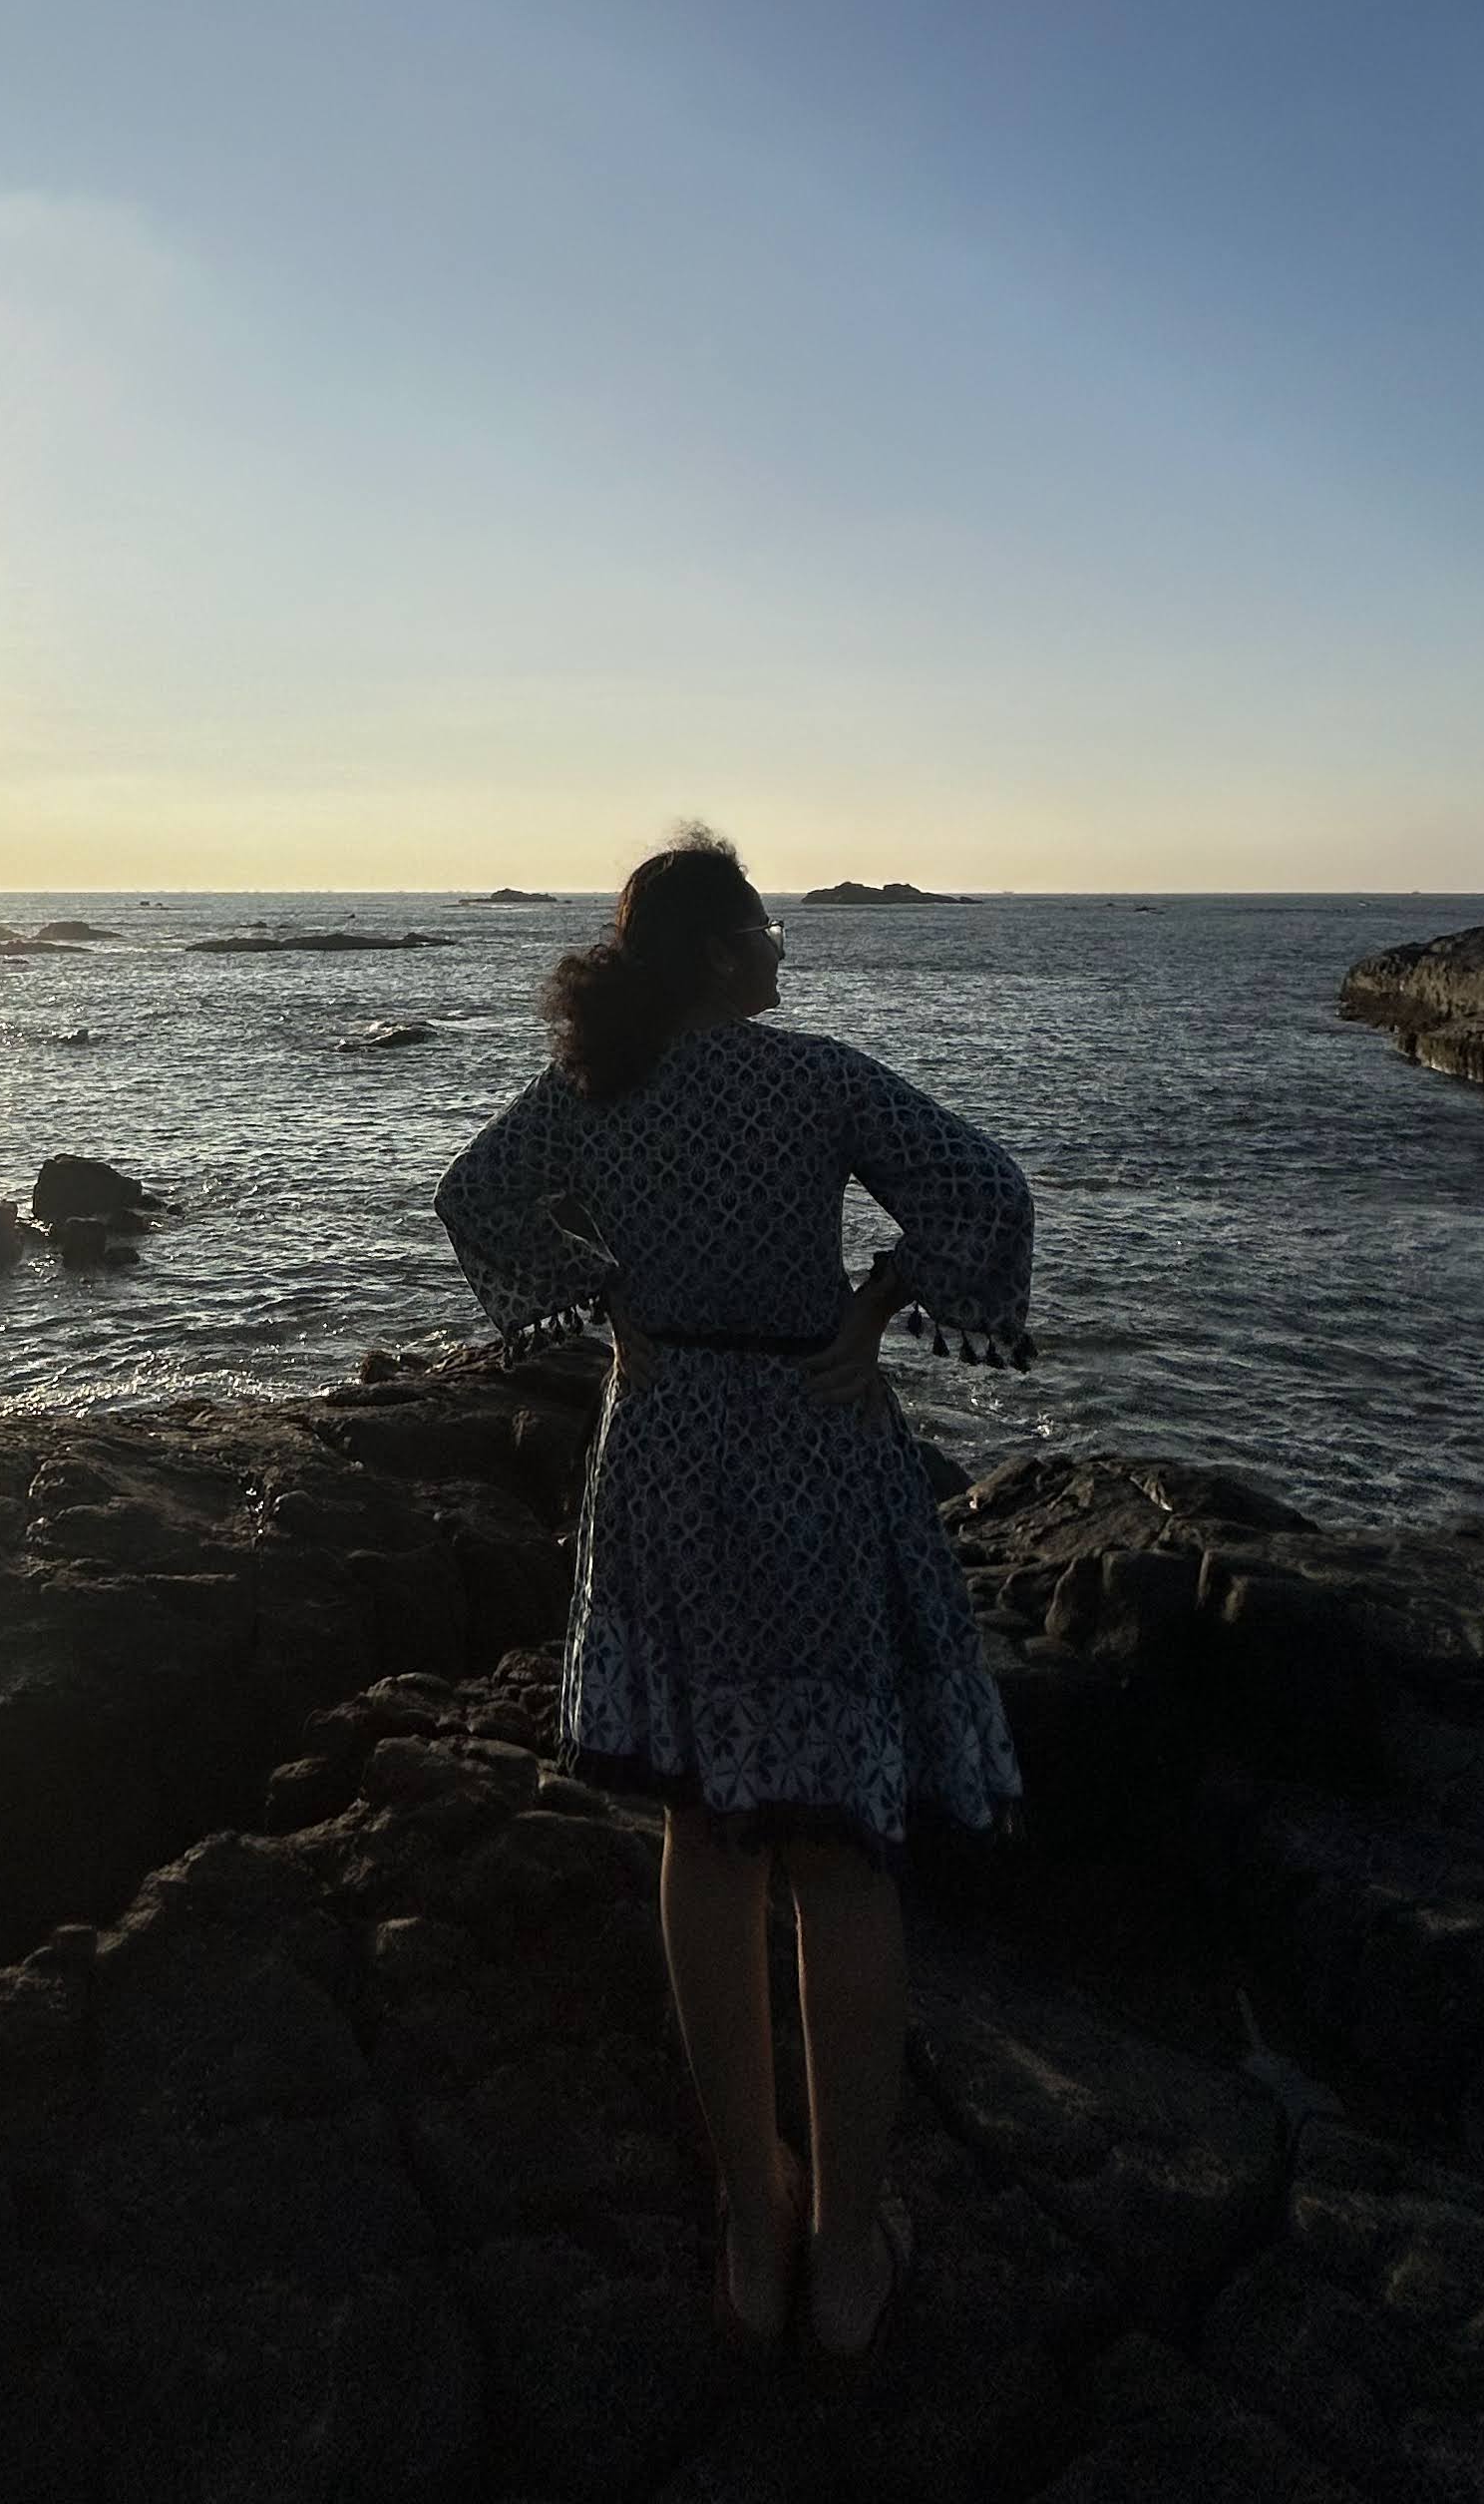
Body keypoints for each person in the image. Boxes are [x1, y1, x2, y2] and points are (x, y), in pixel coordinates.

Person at [434, 829, 1031, 2362]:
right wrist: (882, 1304)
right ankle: (844, 2256)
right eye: (766, 927)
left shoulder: (596, 1091)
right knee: (836, 1848)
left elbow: (475, 1202)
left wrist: (611, 1295)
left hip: (667, 1450)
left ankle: (748, 2235)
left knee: (704, 1831)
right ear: (717, 952)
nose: (785, 948)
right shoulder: (818, 1080)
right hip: (813, 1450)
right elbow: (984, 1186)